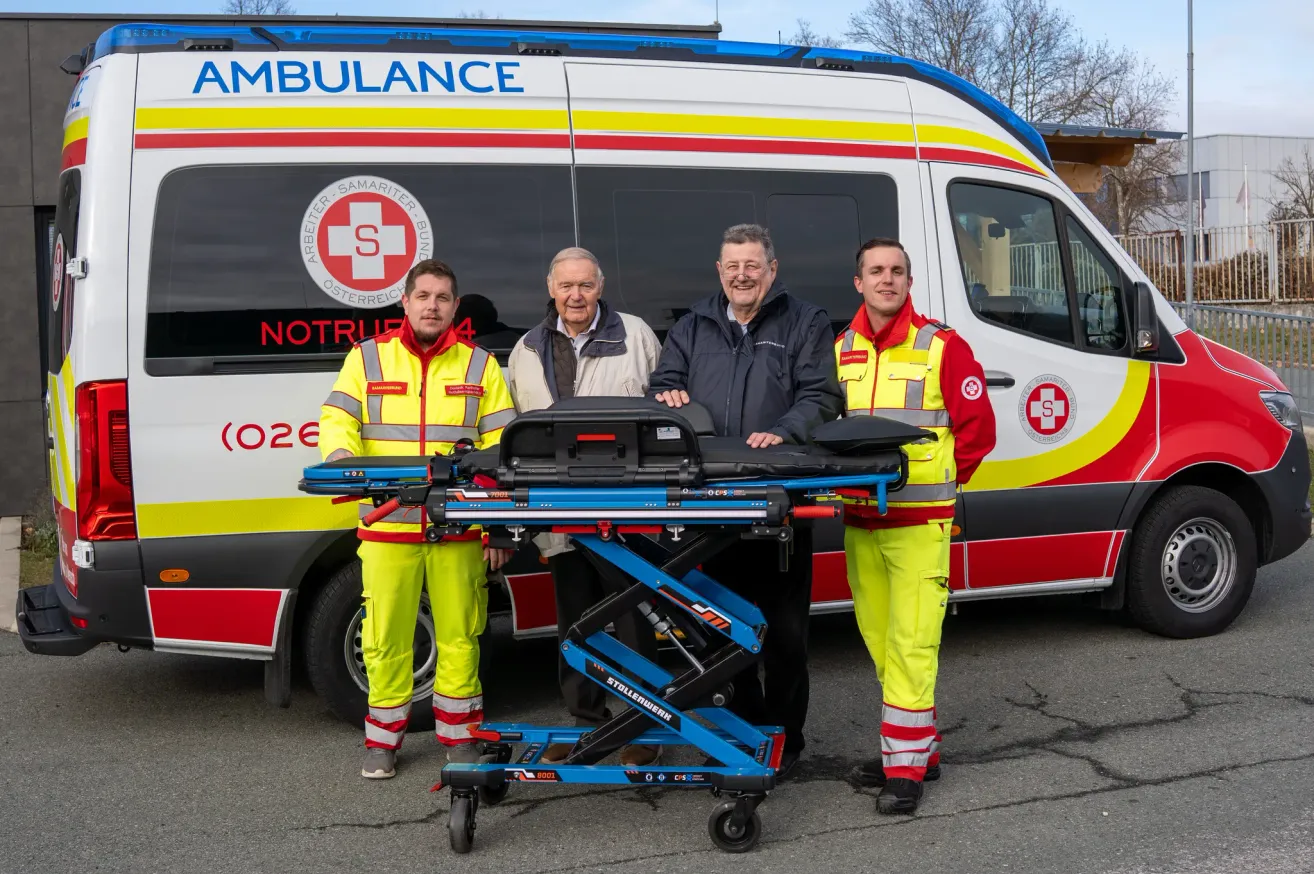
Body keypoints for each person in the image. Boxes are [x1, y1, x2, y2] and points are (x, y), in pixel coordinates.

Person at [649, 223, 844, 779]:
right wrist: (667, 395)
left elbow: (822, 393)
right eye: (732, 266)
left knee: (784, 634)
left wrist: (785, 431)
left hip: (779, 502)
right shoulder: (692, 325)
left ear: (771, 270)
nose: (742, 275)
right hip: (710, 507)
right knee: (717, 629)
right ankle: (742, 729)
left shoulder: (804, 322)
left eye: (752, 265)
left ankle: (785, 739)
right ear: (719, 271)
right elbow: (663, 381)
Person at [319, 259, 517, 780]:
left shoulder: (480, 366)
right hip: (388, 525)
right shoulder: (366, 359)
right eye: (423, 295)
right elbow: (339, 420)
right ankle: (382, 741)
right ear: (404, 302)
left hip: (459, 525)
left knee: (461, 633)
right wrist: (345, 468)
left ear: (456, 306)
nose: (432, 305)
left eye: (443, 297)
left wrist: (496, 524)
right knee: (385, 636)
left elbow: (504, 448)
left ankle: (461, 738)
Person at [837, 238, 996, 814]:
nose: (886, 279)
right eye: (875, 271)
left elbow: (977, 431)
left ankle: (903, 773)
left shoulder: (942, 347)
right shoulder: (840, 350)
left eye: (896, 271)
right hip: (861, 522)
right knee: (881, 642)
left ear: (909, 281)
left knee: (912, 643)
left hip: (921, 524)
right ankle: (917, 746)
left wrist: (944, 487)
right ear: (859, 282)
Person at [507, 246, 664, 767]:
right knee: (577, 615)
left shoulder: (637, 335)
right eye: (566, 286)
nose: (576, 296)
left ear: (601, 287)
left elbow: (665, 406)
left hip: (630, 508)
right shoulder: (526, 350)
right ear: (551, 289)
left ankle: (644, 725)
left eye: (587, 285)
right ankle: (587, 719)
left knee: (636, 614)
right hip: (562, 510)